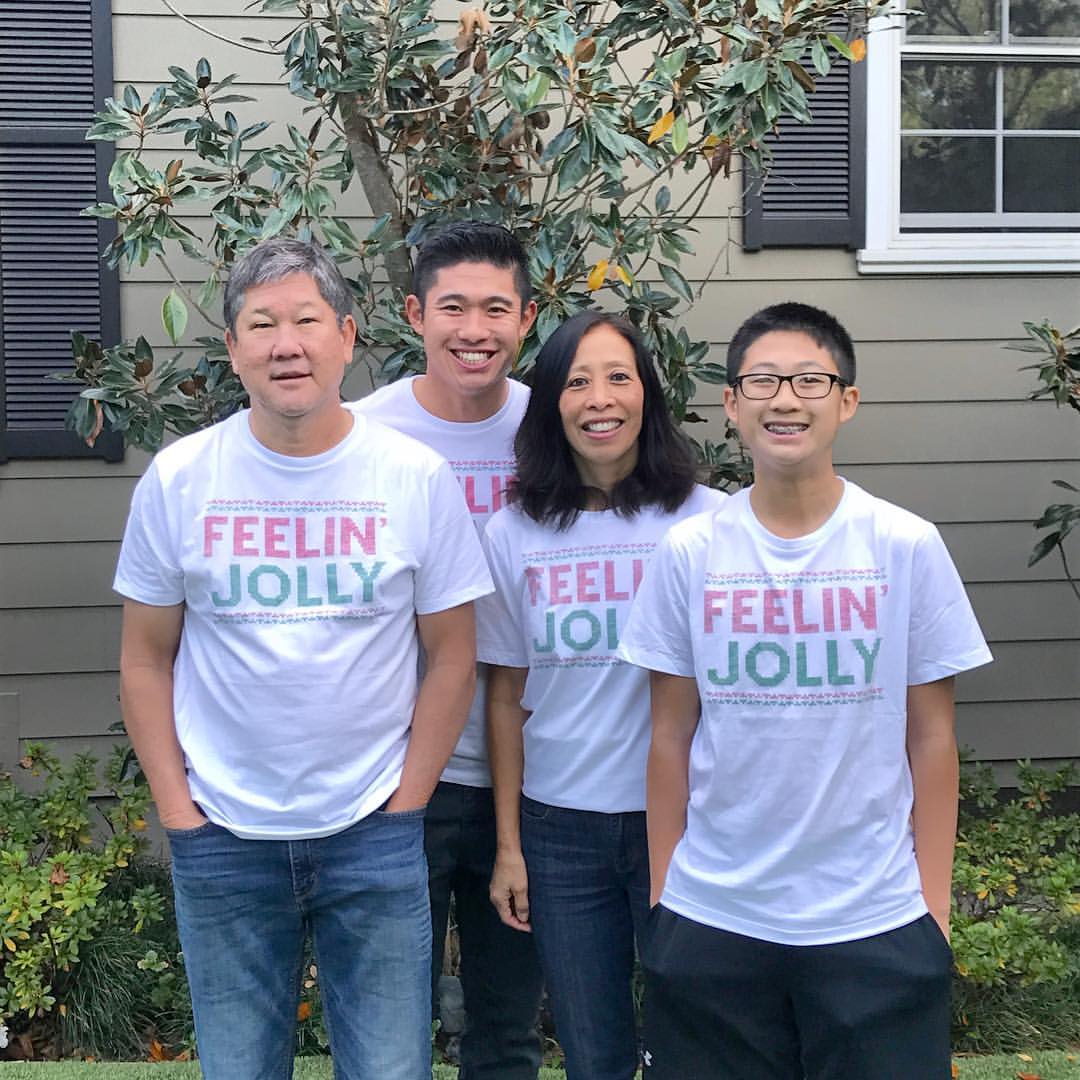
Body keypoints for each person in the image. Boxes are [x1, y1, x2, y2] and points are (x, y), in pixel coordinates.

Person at [114, 237, 494, 1080]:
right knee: (239, 1068)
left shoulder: (414, 476)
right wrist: (178, 811)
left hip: (374, 833)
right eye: (262, 324)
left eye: (307, 321)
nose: (287, 344)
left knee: (392, 1069)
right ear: (233, 348)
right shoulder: (179, 481)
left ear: (348, 337)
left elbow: (453, 656)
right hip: (222, 833)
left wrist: (407, 806)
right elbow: (144, 660)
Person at [619, 302, 993, 1079]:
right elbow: (668, 737)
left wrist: (933, 914)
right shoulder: (690, 551)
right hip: (715, 918)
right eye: (761, 380)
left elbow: (931, 739)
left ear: (846, 400)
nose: (784, 399)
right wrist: (665, 903)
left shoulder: (905, 545)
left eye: (809, 380)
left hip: (876, 922)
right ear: (731, 403)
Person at [479, 311, 725, 1080]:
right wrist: (511, 846)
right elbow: (505, 698)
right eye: (577, 381)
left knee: (695, 1041)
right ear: (550, 402)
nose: (600, 398)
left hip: (686, 822)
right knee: (594, 1053)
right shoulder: (513, 533)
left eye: (619, 376)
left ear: (647, 394)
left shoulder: (711, 522)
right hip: (561, 833)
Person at [355, 221, 545, 1078]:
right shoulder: (361, 436)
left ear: (527, 318)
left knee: (508, 1030)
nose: (475, 329)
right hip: (401, 775)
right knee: (393, 1030)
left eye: (496, 309)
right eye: (454, 307)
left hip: (532, 773)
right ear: (414, 314)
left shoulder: (561, 429)